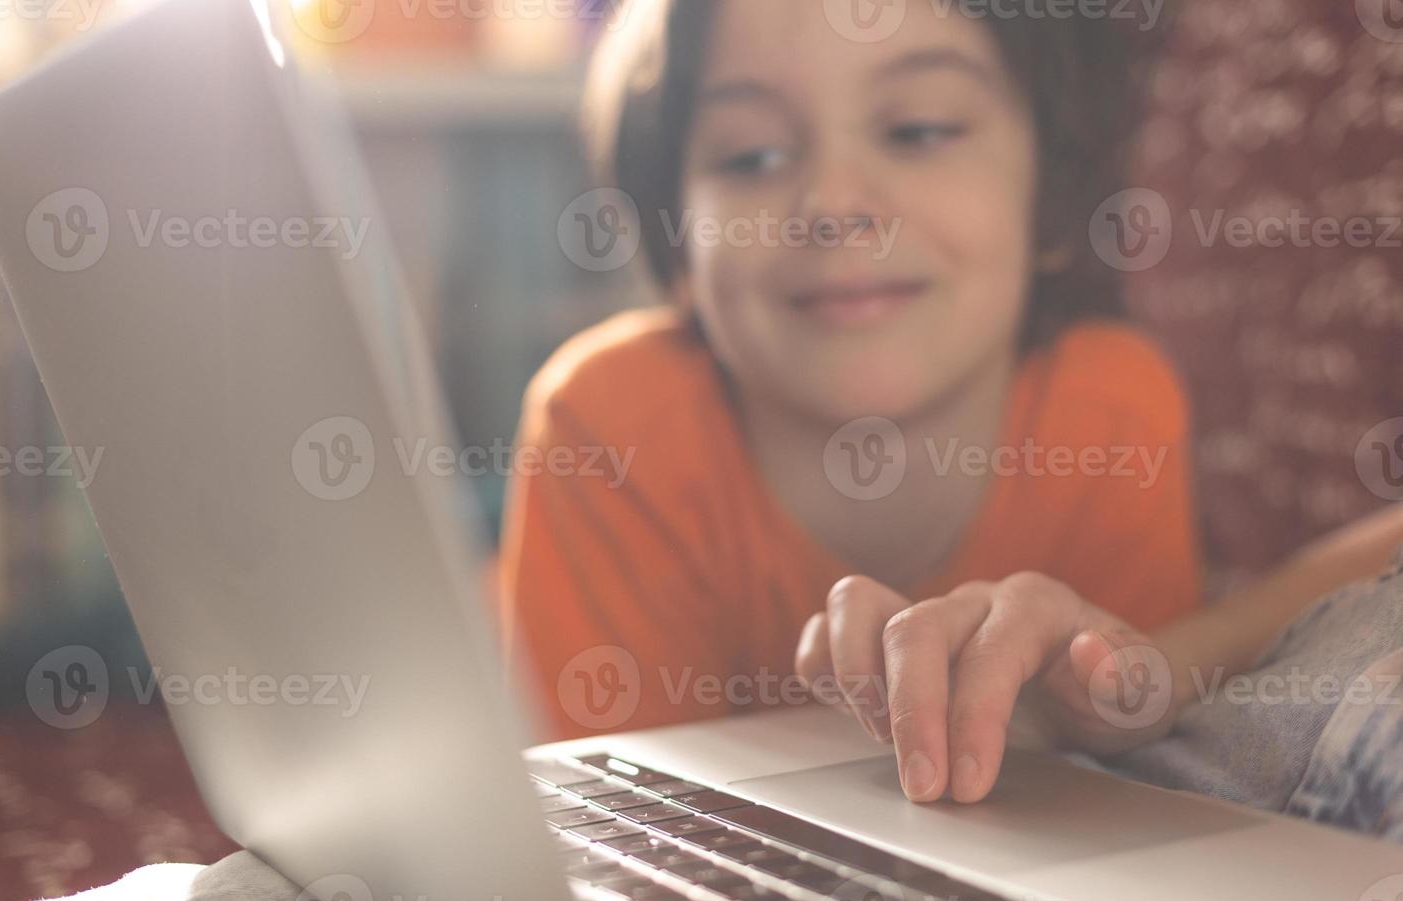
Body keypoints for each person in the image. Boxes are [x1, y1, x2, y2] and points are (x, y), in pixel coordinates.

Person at [500, 0, 1403, 806]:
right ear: (679, 251)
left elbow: (1128, 778)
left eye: (920, 131)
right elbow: (619, 835)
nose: (835, 202)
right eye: (753, 155)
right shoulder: (603, 435)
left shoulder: (1113, 415)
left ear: (1049, 204)